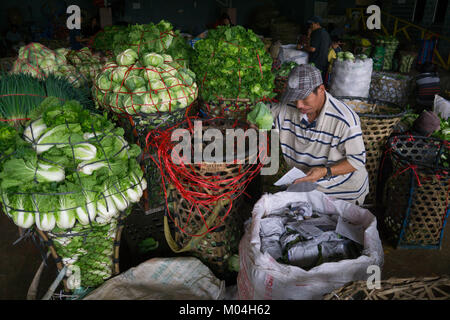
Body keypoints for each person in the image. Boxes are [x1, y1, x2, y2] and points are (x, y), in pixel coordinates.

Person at [269, 64, 369, 205]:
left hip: (342, 191)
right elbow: (263, 114)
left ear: (321, 90)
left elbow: (356, 161)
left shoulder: (345, 120)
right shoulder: (289, 108)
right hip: (305, 186)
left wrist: (325, 171)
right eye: (295, 98)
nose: (299, 105)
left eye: (304, 98)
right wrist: (256, 120)